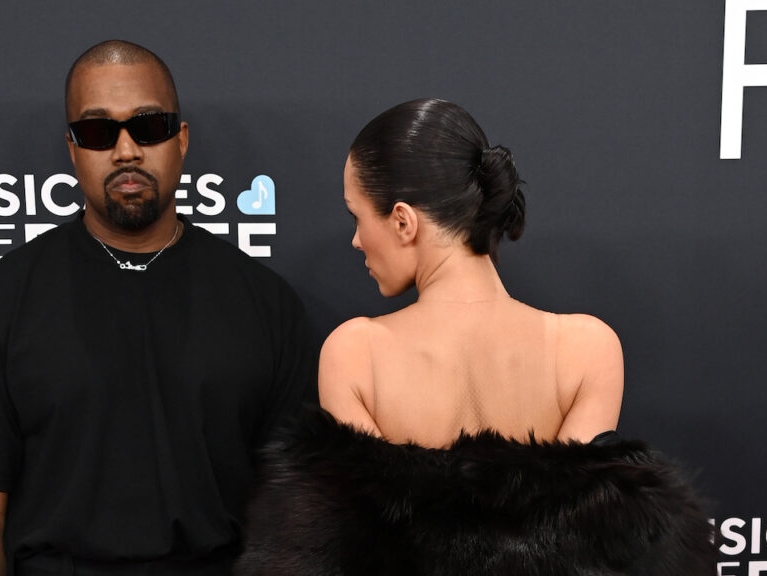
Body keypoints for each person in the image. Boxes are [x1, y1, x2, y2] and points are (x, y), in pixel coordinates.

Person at [234, 99, 716, 575]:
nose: (357, 240)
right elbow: (577, 541)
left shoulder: (355, 353)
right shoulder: (588, 348)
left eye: (356, 216)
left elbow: (361, 548)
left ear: (403, 221)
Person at [0, 40, 316, 576]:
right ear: (72, 149)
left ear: (181, 139)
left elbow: (296, 505)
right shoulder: (0, 300)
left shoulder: (266, 303)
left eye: (148, 126)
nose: (126, 150)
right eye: (97, 132)